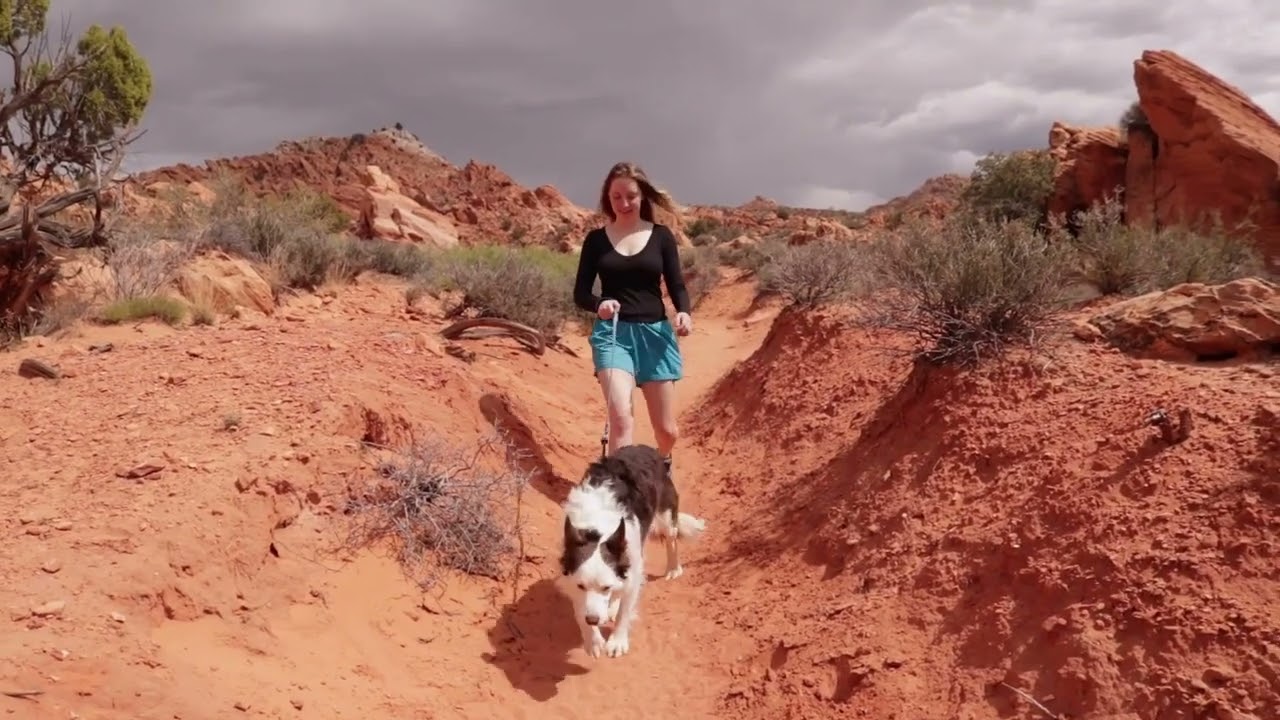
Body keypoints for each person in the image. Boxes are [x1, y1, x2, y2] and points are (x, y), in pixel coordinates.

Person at [572, 161, 692, 481]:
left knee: (667, 431)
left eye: (631, 196)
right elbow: (581, 293)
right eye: (616, 197)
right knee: (621, 419)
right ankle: (620, 493)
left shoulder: (661, 236)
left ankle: (662, 463)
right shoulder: (596, 241)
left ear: (643, 196)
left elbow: (677, 284)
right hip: (613, 336)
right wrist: (599, 304)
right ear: (607, 198)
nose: (624, 203)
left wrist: (683, 311)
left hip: (655, 335)